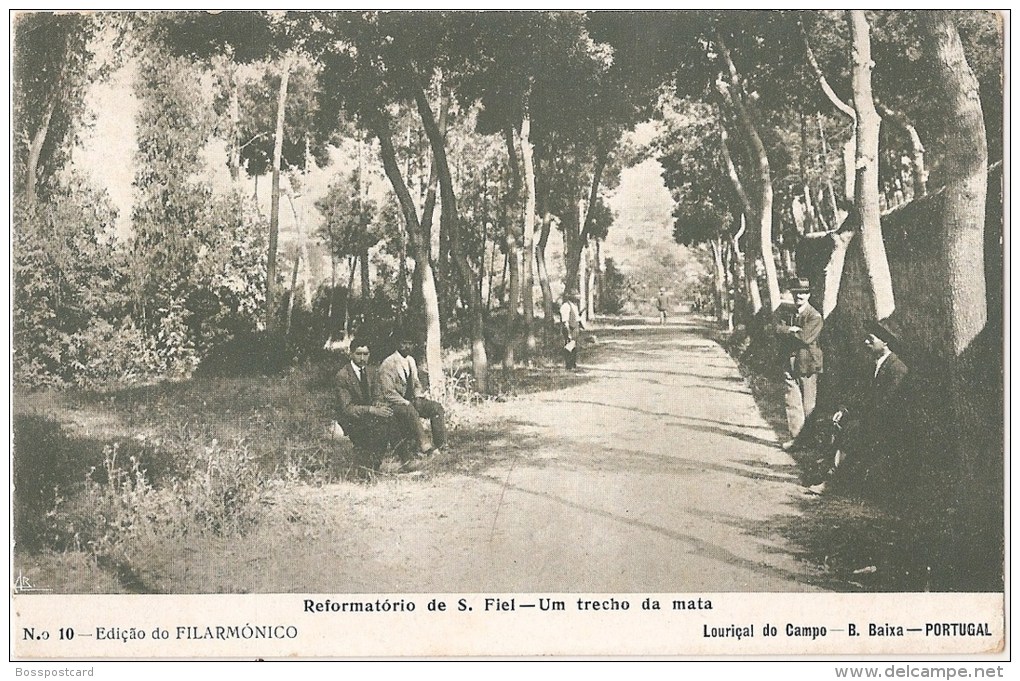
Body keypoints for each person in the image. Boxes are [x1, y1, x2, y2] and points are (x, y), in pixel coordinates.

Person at [806, 319, 909, 496]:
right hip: (873, 419)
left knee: (852, 431)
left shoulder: (897, 368)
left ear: (885, 342)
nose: (866, 342)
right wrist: (844, 410)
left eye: (871, 339)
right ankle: (831, 471)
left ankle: (834, 481)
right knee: (841, 425)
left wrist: (859, 419)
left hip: (890, 424)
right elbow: (861, 394)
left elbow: (887, 404)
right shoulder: (873, 363)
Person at [378, 330, 447, 461]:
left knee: (436, 407)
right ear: (398, 344)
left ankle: (442, 445)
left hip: (410, 400)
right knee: (410, 410)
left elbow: (415, 382)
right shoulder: (388, 364)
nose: (407, 347)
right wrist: (406, 402)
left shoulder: (410, 360)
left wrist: (418, 397)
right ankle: (425, 446)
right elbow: (388, 392)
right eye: (404, 343)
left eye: (410, 344)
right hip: (393, 404)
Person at [775, 278, 823, 450]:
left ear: (808, 294)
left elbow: (804, 337)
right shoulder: (788, 312)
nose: (799, 296)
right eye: (796, 293)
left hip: (807, 363)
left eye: (803, 293)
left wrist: (787, 331)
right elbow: (776, 328)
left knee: (808, 404)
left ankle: (810, 441)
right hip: (789, 362)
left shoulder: (814, 316)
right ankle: (797, 440)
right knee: (792, 401)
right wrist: (790, 329)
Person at [334, 338, 394, 452]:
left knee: (392, 416)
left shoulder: (372, 371)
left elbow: (377, 395)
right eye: (358, 354)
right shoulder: (343, 376)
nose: (362, 358)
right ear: (351, 354)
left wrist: (379, 404)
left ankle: (404, 456)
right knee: (380, 429)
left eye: (365, 354)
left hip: (369, 415)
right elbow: (347, 409)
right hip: (351, 419)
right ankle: (371, 460)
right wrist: (371, 409)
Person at [559, 292, 584, 370]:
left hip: (575, 328)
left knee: (573, 346)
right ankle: (568, 365)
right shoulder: (565, 306)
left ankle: (573, 364)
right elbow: (565, 321)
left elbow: (576, 317)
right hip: (569, 328)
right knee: (569, 346)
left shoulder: (574, 306)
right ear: (571, 297)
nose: (578, 299)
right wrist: (569, 332)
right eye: (576, 297)